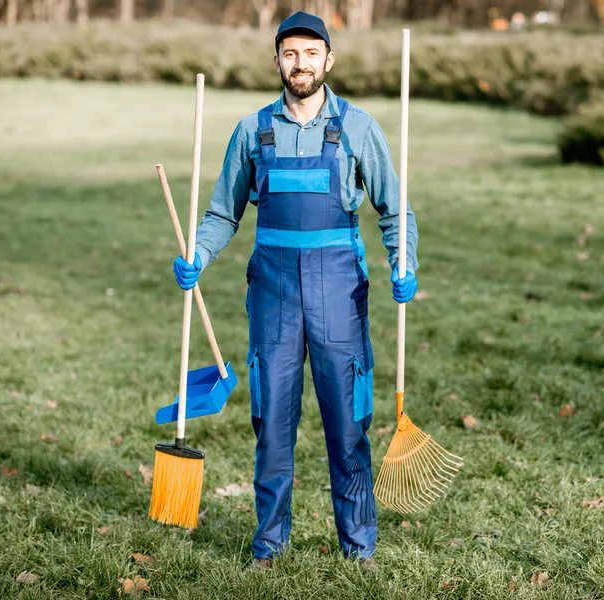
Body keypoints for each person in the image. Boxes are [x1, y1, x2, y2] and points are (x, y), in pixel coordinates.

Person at [171, 11, 419, 570]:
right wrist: (197, 254)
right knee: (272, 423)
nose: (300, 63)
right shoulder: (252, 131)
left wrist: (404, 262)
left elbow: (395, 211)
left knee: (348, 422)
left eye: (311, 53)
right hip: (274, 293)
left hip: (339, 291)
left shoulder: (359, 128)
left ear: (328, 60)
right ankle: (268, 545)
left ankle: (359, 546)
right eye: (290, 53)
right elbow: (222, 213)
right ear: (277, 61)